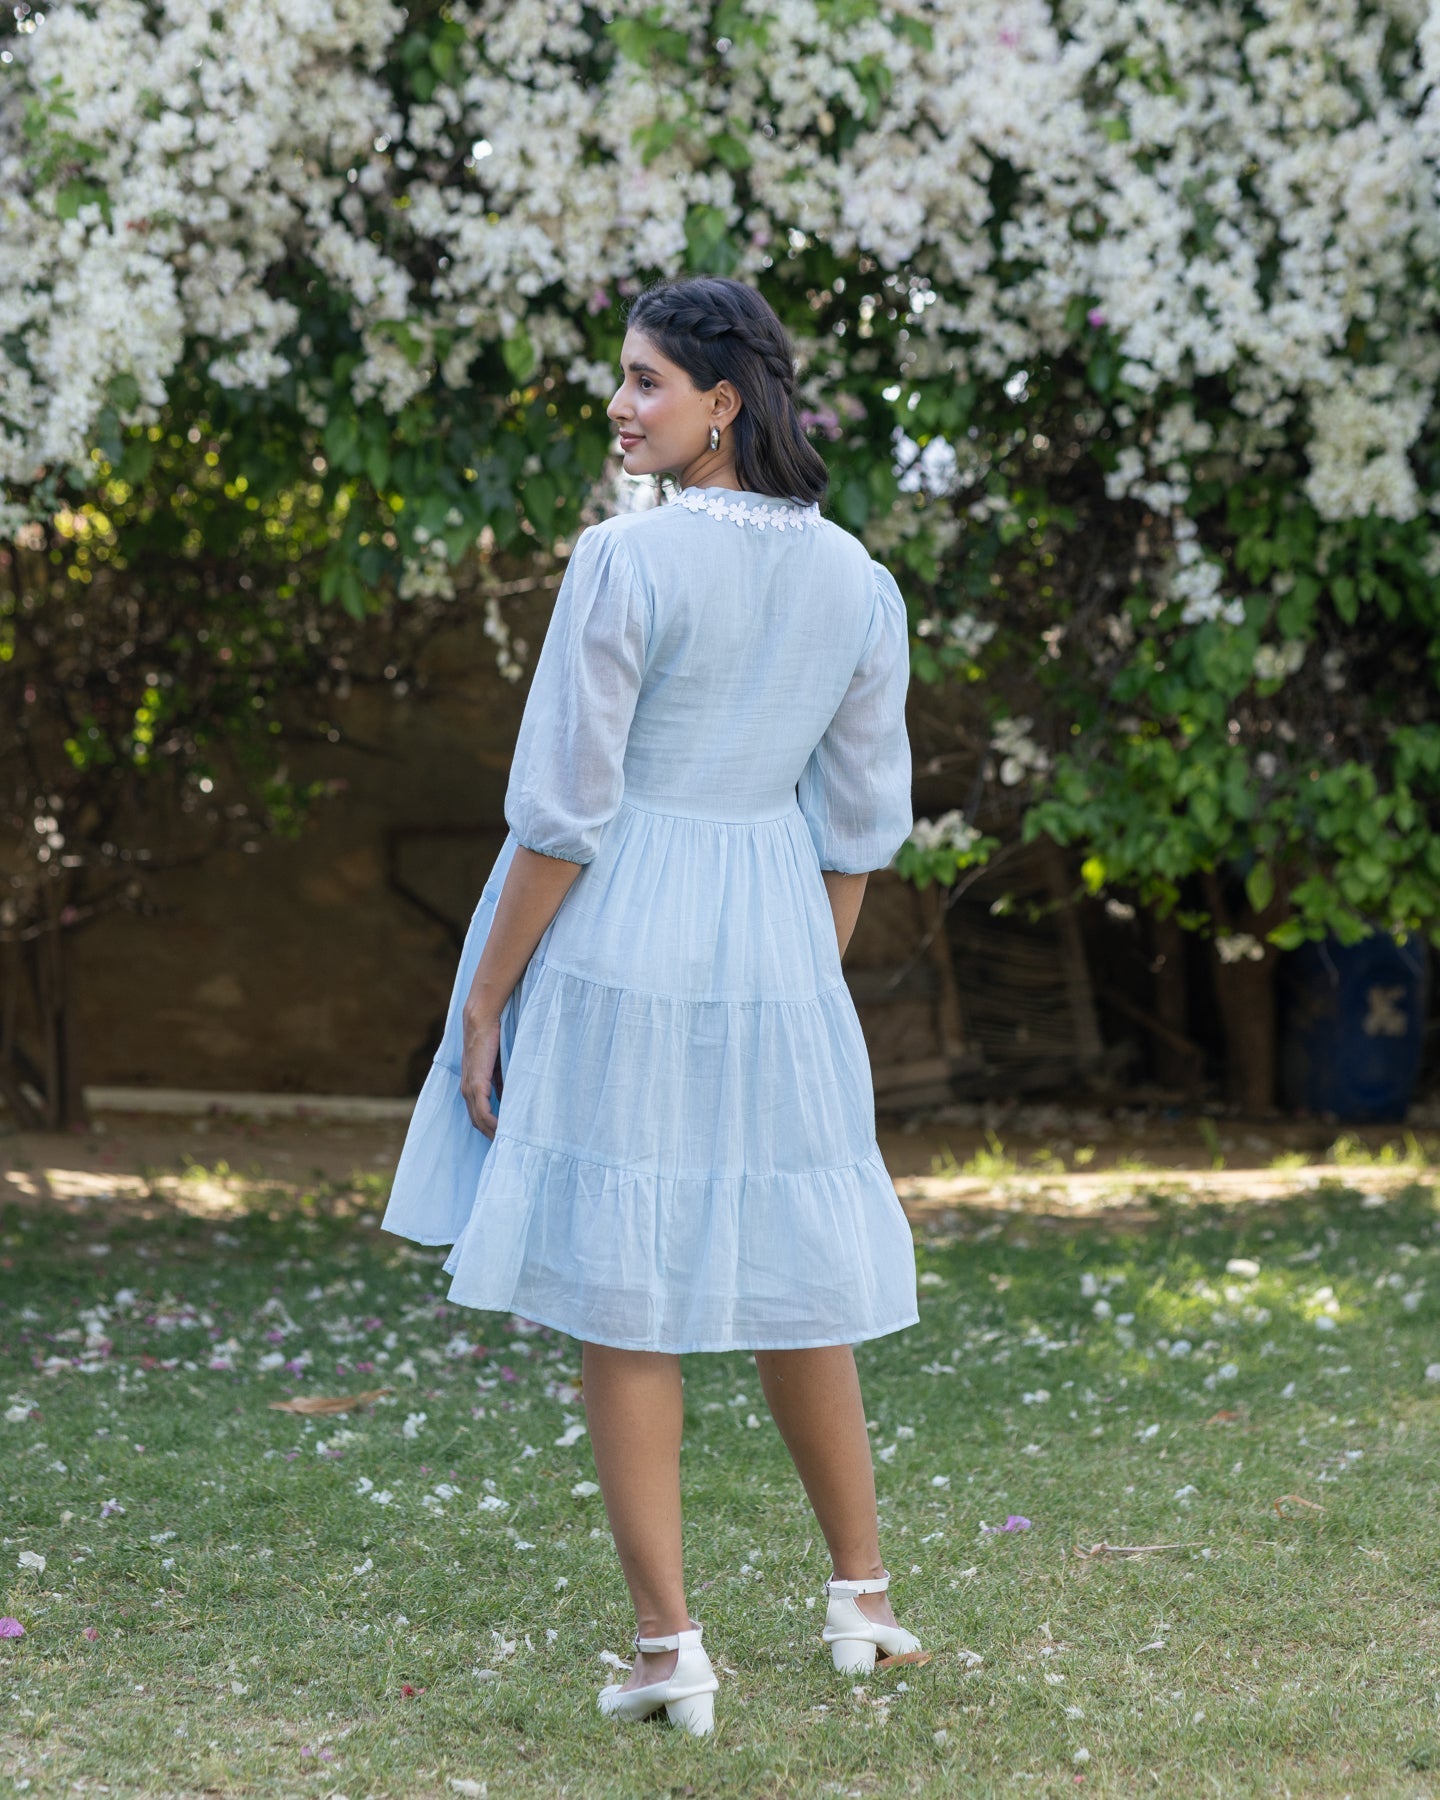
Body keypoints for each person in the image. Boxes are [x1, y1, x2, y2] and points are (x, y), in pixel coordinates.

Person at [381, 274, 922, 1736]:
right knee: (790, 1266)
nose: (619, 407)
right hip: (773, 934)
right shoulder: (859, 581)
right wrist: (795, 980)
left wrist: (484, 1003)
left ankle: (668, 1646)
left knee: (628, 1297)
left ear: (722, 405)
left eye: (642, 382)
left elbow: (564, 816)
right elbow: (859, 827)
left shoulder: (628, 566)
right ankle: (860, 1602)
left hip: (621, 931)